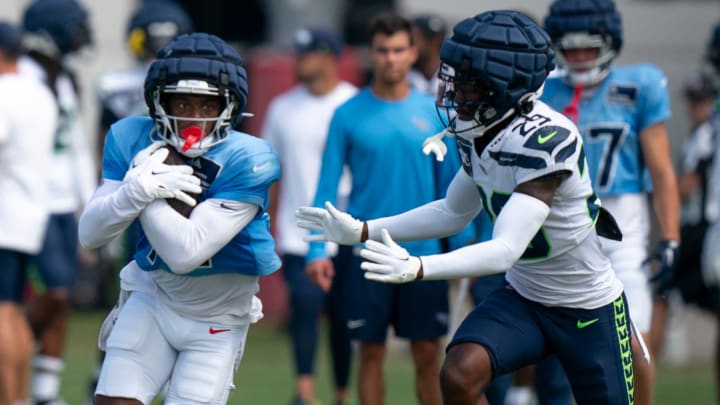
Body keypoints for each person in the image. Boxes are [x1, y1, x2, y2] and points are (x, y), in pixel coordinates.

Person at [298, 9, 640, 405]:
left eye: (467, 84)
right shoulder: (481, 130)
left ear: (504, 87)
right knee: (459, 374)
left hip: (585, 304)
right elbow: (452, 211)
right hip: (526, 296)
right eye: (454, 79)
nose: (453, 93)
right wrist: (362, 229)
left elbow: (504, 250)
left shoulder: (546, 138)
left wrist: (418, 268)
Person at [78, 32, 281, 404]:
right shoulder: (130, 135)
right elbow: (90, 233)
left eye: (207, 105)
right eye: (182, 103)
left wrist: (145, 194)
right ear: (158, 101)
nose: (194, 117)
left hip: (217, 317)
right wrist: (134, 189)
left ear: (230, 105)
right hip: (154, 294)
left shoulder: (249, 157)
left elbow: (186, 252)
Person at [303, 12, 467, 405]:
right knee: (370, 351)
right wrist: (314, 249)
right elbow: (326, 187)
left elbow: (456, 189)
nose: (390, 58)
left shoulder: (435, 112)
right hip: (367, 250)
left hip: (423, 251)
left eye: (398, 49)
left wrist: (465, 248)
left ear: (413, 52)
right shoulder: (347, 114)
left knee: (429, 353)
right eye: (382, 50)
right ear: (371, 54)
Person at [540, 1, 681, 404]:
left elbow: (661, 171)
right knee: (558, 354)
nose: (581, 56)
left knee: (636, 345)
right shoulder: (543, 88)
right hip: (560, 225)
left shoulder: (640, 85)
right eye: (572, 48)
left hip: (622, 227)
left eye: (590, 46)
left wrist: (670, 237)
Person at [261, 27, 357, 405]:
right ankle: (305, 393)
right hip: (297, 232)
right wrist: (262, 221)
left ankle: (341, 393)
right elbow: (269, 170)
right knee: (305, 308)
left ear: (329, 57)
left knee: (344, 319)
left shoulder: (352, 103)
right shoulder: (282, 108)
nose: (299, 61)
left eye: (306, 54)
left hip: (349, 231)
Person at [20, 1, 98, 403]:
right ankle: (12, 351)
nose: (81, 36)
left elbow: (77, 151)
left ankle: (44, 393)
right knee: (54, 296)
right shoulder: (20, 77)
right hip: (31, 203)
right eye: (74, 28)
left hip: (64, 206)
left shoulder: (65, 79)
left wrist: (91, 204)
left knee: (63, 299)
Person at [0, 21, 58, 405]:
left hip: (4, 214)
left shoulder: (4, 92)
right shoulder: (40, 90)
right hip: (31, 212)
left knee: (3, 313)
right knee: (15, 311)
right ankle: (19, 399)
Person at [651, 72, 717, 362]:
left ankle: (645, 361)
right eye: (692, 100)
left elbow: (688, 186)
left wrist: (664, 195)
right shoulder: (703, 132)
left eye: (700, 100)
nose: (695, 107)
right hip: (702, 231)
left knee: (661, 295)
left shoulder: (705, 135)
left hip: (697, 233)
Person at [408, 14, 447, 95]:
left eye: (413, 39)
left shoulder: (455, 78)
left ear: (434, 42)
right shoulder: (401, 75)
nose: (408, 45)